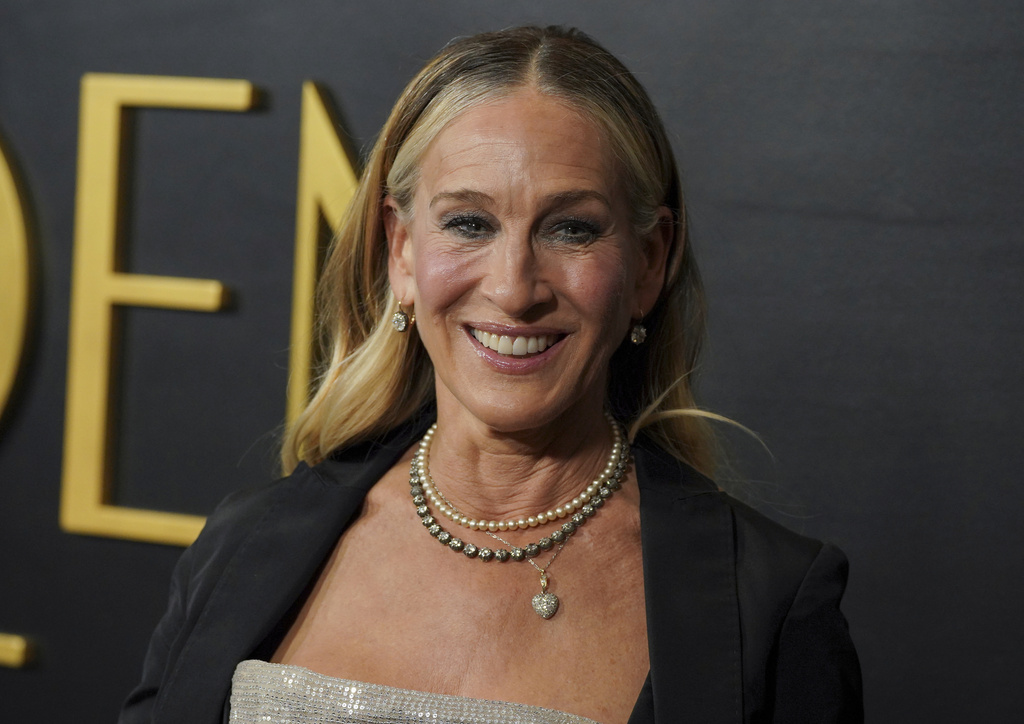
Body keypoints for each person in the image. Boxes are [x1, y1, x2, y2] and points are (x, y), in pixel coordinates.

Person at [120, 25, 862, 724]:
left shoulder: (767, 605)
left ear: (649, 263)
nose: (513, 289)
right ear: (401, 250)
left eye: (571, 228)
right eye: (469, 223)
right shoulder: (241, 543)